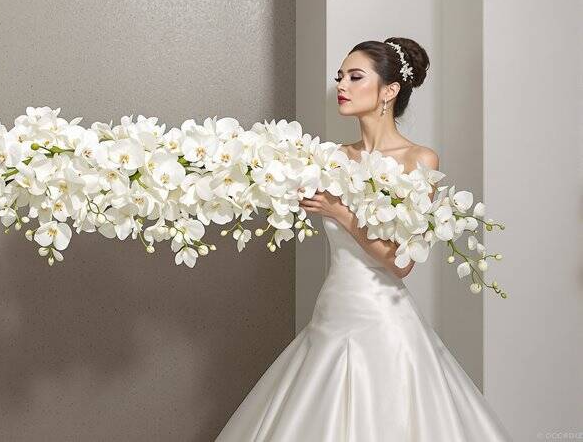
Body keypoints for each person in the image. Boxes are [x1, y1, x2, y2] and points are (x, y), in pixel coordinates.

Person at [214, 38, 513, 441]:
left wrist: (341, 213)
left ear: (389, 90)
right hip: (332, 311)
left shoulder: (419, 160)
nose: (342, 85)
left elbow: (402, 263)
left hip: (383, 319)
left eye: (356, 77)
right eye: (340, 77)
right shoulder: (329, 158)